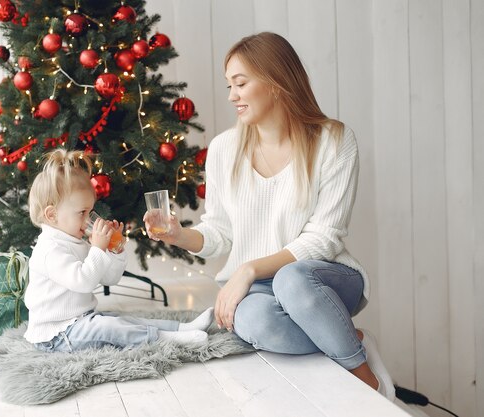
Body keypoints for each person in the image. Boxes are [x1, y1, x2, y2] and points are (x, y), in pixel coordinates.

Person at [144, 32, 395, 400]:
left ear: (277, 82)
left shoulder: (334, 140)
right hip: (259, 291)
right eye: (229, 84)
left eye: (241, 83)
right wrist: (179, 236)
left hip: (322, 278)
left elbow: (325, 237)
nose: (232, 96)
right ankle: (341, 334)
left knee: (291, 280)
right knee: (252, 321)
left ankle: (365, 377)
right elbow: (220, 231)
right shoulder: (224, 149)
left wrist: (247, 269)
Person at [24, 149, 213, 352]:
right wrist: (97, 248)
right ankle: (168, 339)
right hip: (57, 336)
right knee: (110, 327)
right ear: (52, 215)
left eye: (90, 211)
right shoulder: (50, 249)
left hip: (80, 320)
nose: (89, 219)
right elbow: (84, 282)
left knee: (121, 319)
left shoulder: (74, 240)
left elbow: (108, 279)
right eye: (82, 213)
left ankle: (181, 328)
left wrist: (114, 250)